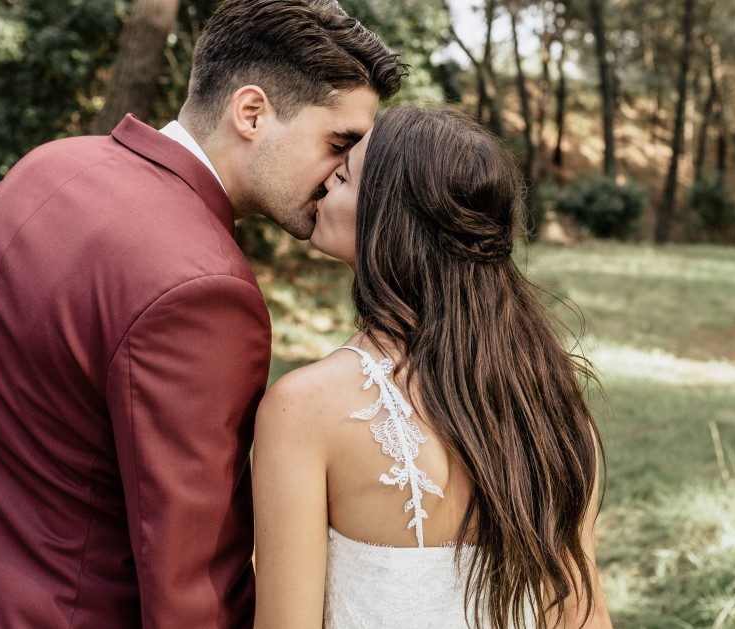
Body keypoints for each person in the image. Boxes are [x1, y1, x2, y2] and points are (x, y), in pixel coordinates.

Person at [0, 1, 403, 627]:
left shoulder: (45, 167)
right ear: (252, 112)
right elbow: (191, 585)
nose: (341, 175)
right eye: (338, 142)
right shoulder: (205, 290)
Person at [252, 107, 613, 628]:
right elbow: (584, 617)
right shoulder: (550, 399)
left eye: (344, 173)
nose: (326, 178)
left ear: (390, 219)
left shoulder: (305, 408)